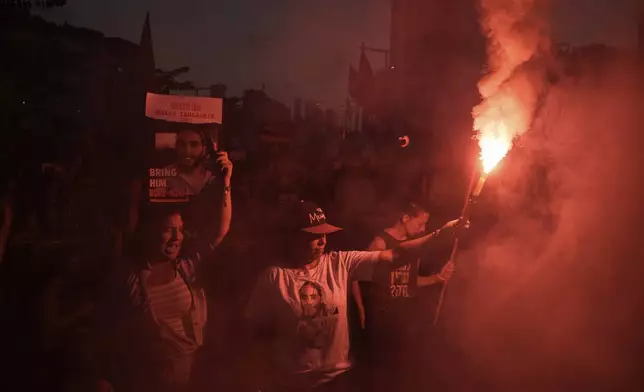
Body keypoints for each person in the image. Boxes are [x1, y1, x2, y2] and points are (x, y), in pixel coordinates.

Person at [244, 201, 465, 391]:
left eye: (325, 234)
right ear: (294, 237)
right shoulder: (274, 277)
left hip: (338, 381)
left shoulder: (339, 263)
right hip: (293, 384)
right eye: (314, 236)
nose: (323, 241)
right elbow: (255, 334)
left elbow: (394, 255)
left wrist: (441, 234)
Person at [102, 152, 232, 392]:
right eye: (168, 230)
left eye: (180, 230)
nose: (176, 238)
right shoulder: (131, 278)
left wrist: (226, 183)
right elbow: (111, 331)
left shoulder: (185, 269)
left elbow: (220, 232)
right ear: (151, 233)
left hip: (191, 377)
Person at [350, 202, 455, 391]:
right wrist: (360, 309)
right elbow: (354, 275)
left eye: (426, 225)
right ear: (406, 218)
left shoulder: (414, 246)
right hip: (382, 318)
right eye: (420, 223)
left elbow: (409, 281)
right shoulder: (380, 243)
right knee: (379, 374)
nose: (423, 229)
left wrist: (437, 278)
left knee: (404, 373)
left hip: (405, 318)